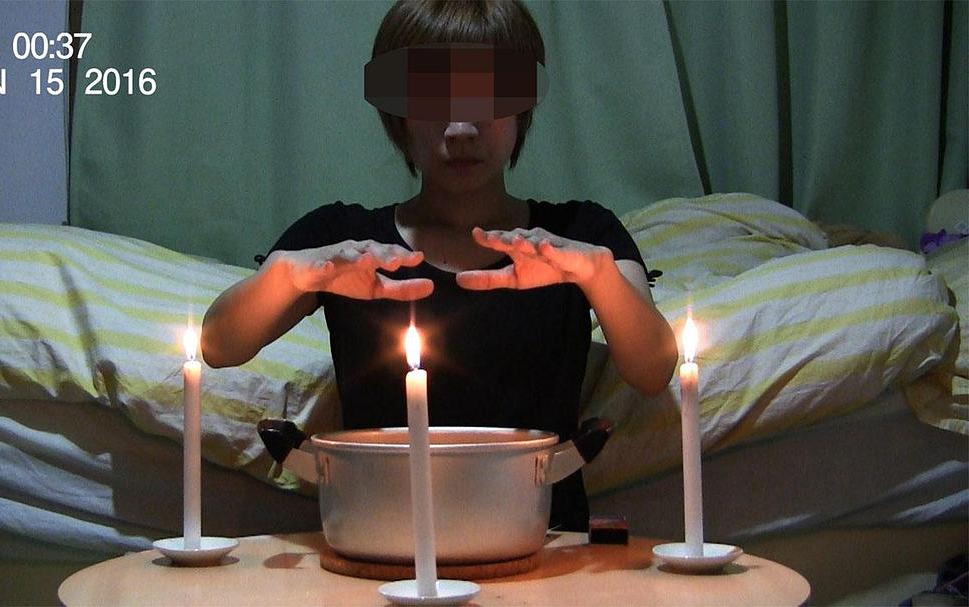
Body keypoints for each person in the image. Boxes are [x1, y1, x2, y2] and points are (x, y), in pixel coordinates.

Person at [203, 0, 677, 531]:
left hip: (543, 541)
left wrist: (596, 274)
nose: (461, 127)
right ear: (400, 114)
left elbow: (654, 368)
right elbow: (219, 344)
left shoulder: (581, 233)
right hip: (377, 534)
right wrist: (294, 274)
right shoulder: (340, 239)